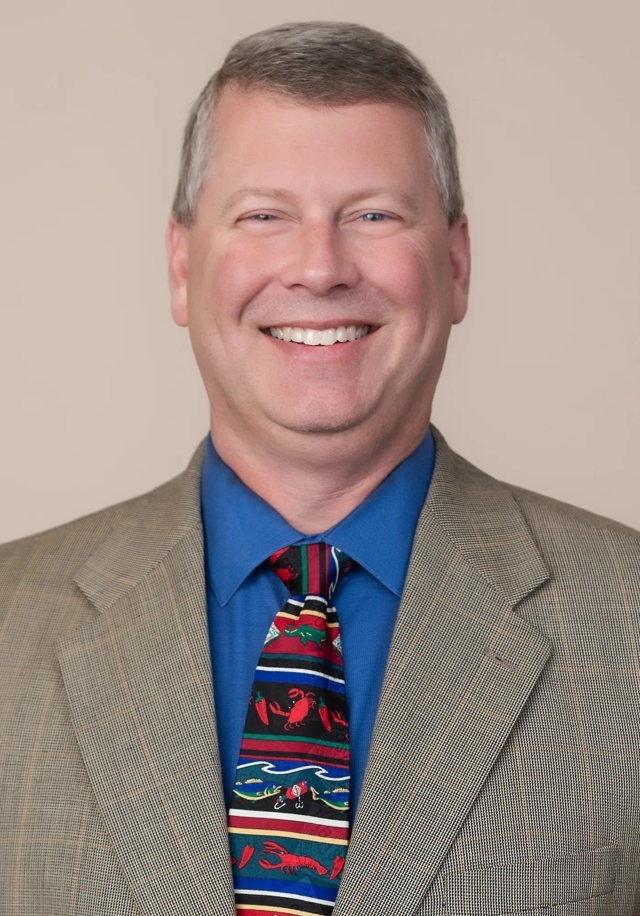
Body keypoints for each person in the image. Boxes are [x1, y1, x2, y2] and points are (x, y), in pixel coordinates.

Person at [1, 20, 639, 916]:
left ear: (456, 264)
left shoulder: (627, 625)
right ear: (182, 267)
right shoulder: (10, 623)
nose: (319, 268)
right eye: (264, 216)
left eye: (373, 215)